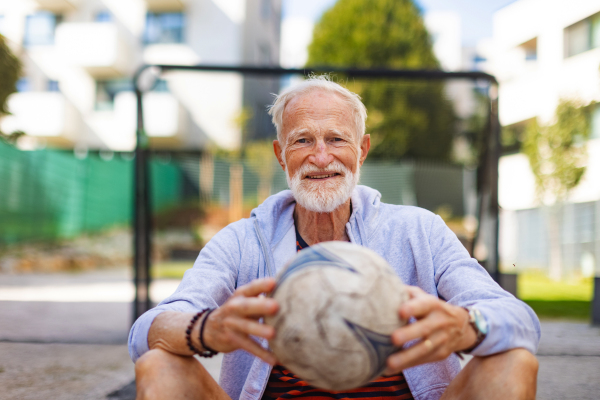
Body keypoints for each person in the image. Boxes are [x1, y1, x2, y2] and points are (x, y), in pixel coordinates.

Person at [129, 76, 540, 400]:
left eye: (336, 139)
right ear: (280, 154)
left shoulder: (420, 230)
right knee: (158, 367)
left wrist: (471, 325)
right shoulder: (241, 241)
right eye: (303, 140)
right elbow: (145, 331)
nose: (321, 157)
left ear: (361, 151)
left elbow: (521, 322)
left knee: (513, 362)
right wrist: (204, 329)